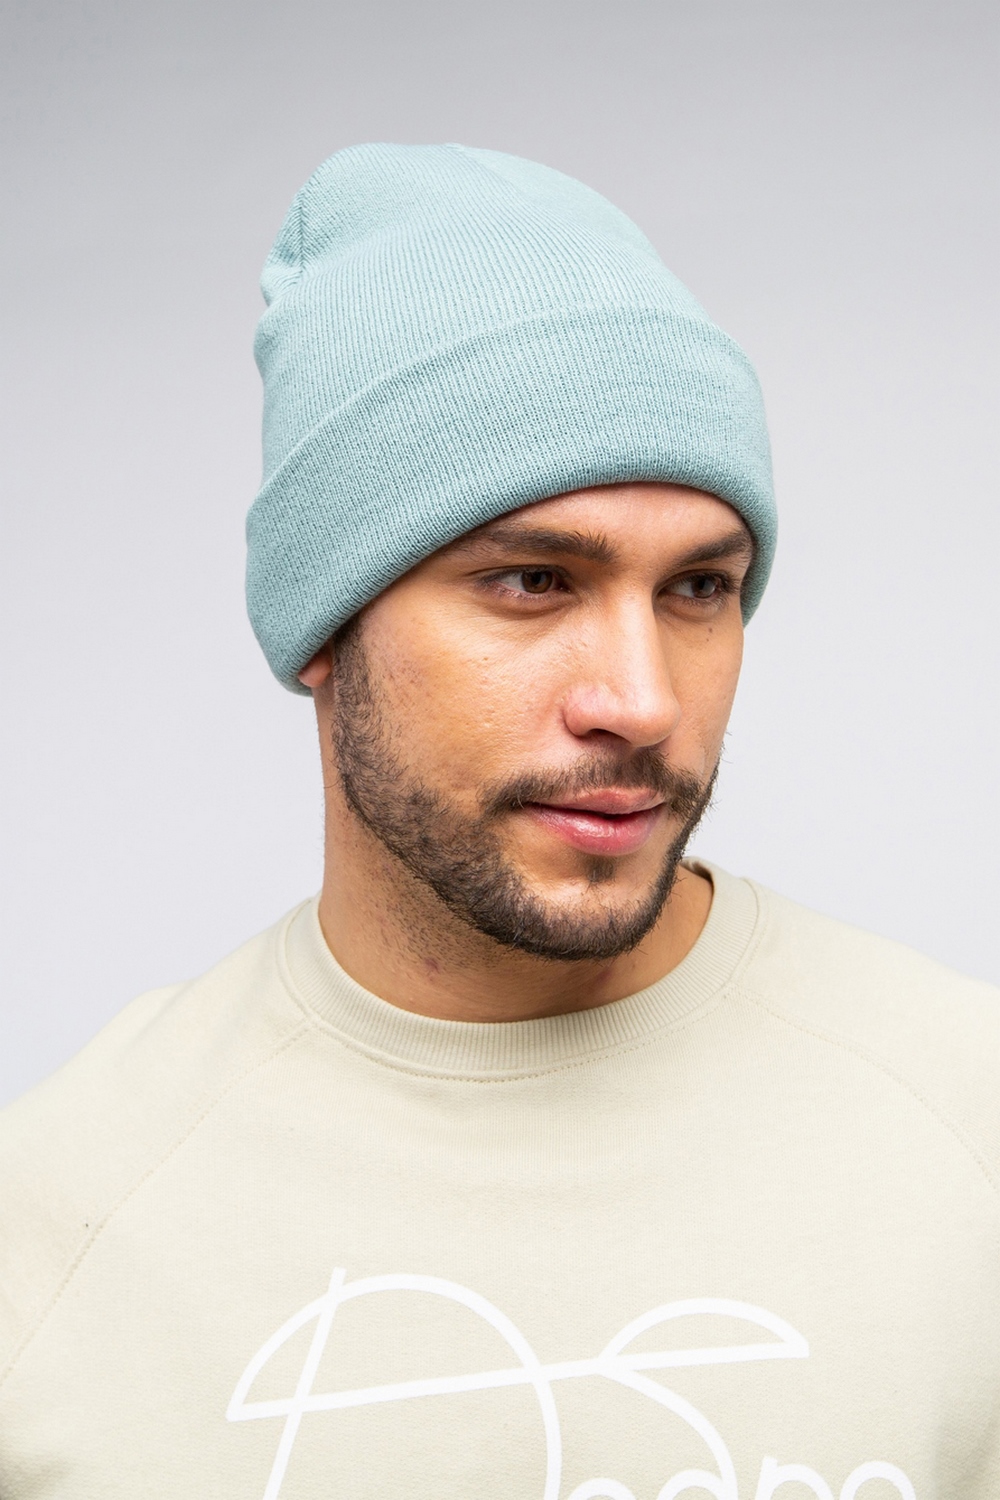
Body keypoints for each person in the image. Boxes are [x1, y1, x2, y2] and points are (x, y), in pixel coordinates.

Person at [0, 144, 996, 1500]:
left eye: (699, 589)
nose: (641, 701)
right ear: (322, 627)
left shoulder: (969, 1123)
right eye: (533, 581)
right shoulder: (54, 1230)